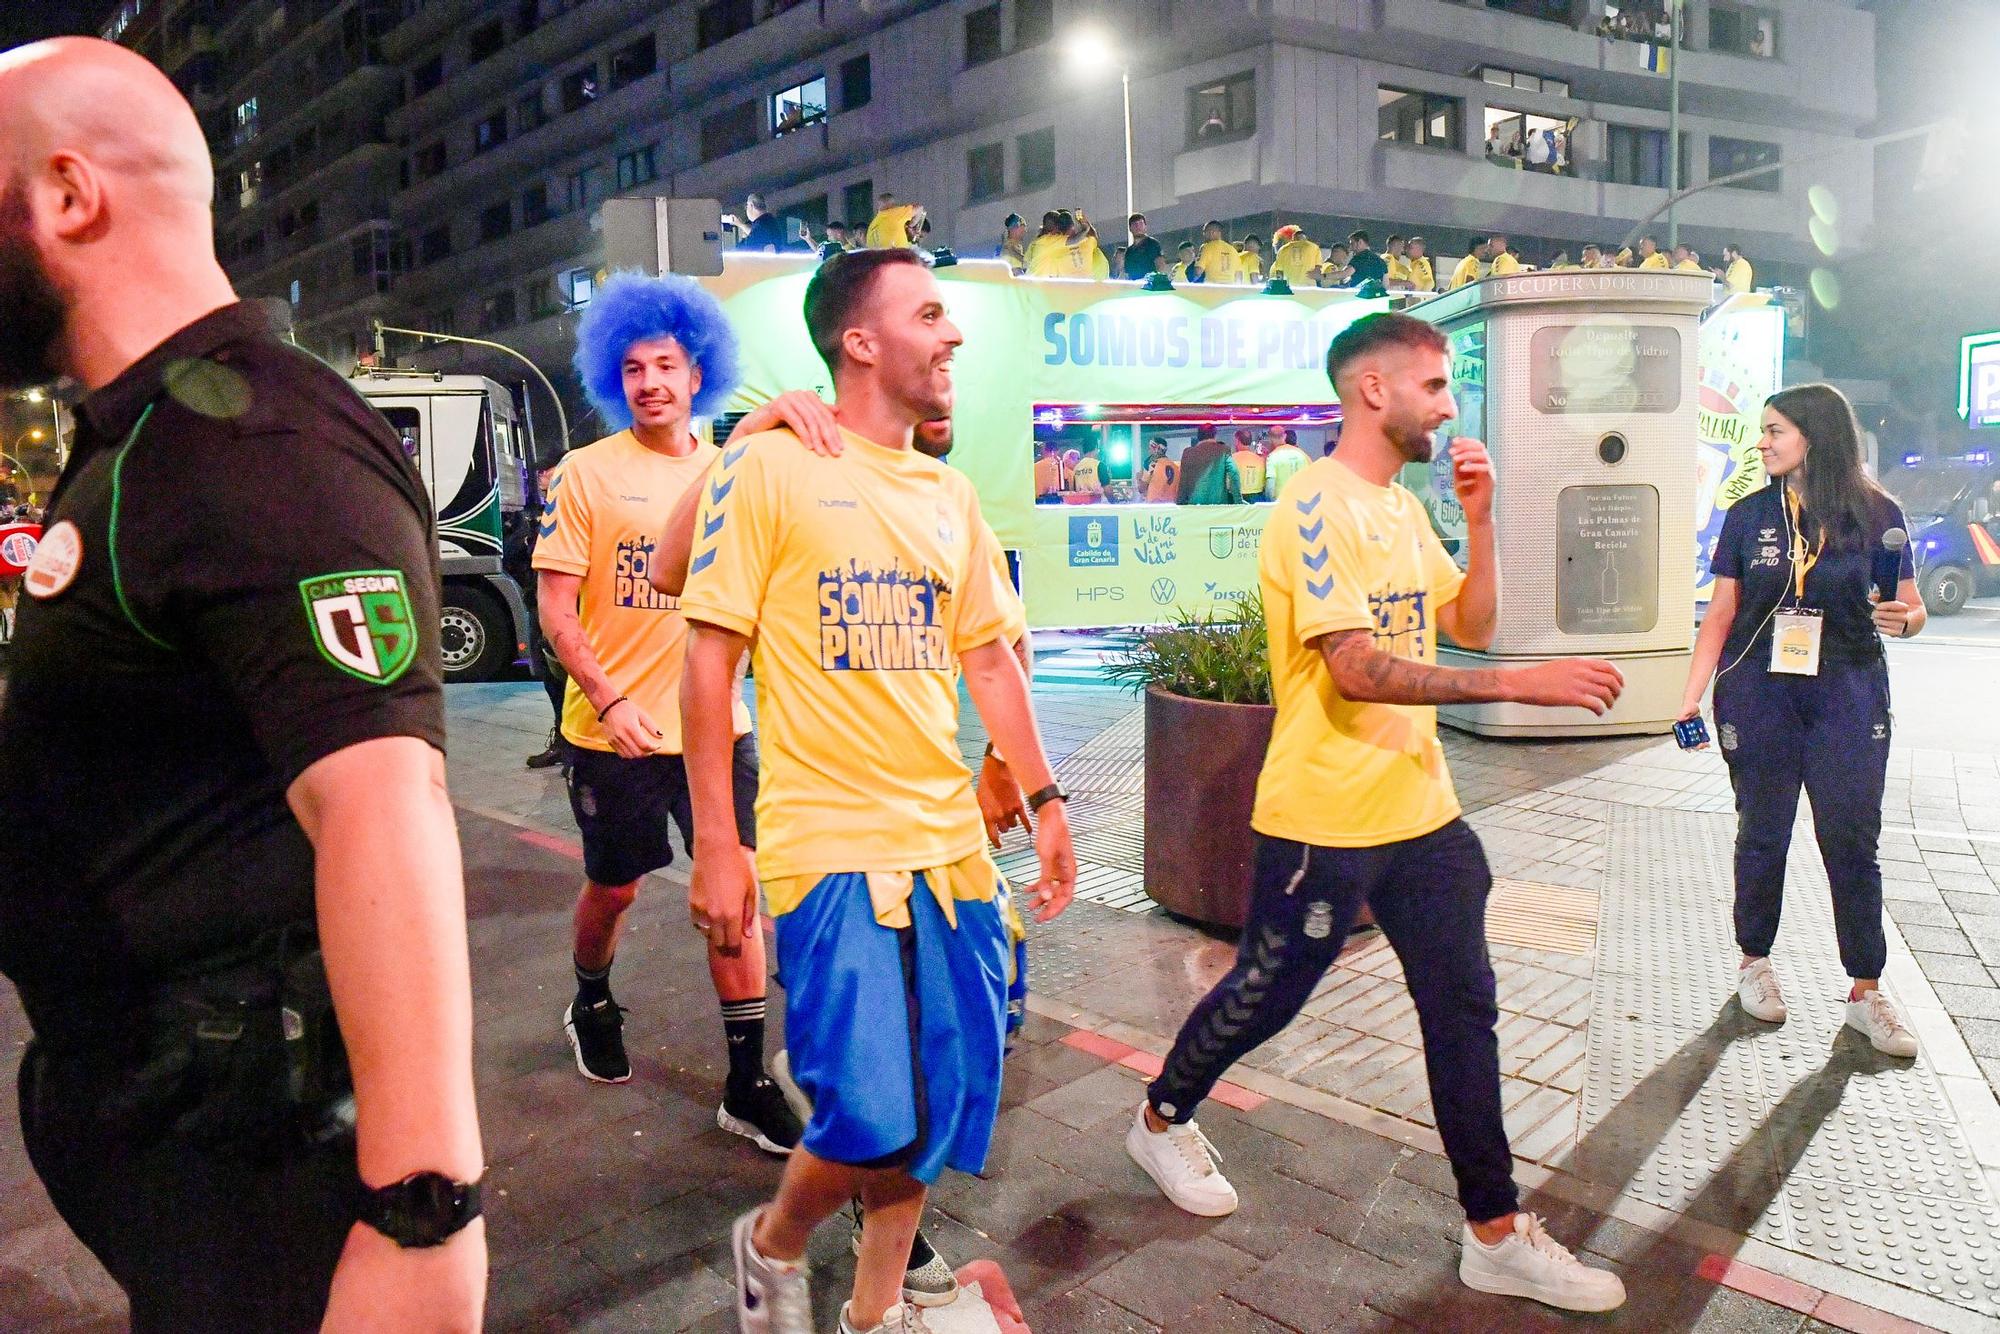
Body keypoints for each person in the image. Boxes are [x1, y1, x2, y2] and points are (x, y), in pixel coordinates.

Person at [0, 36, 486, 1329]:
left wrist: (423, 1220)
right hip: (181, 1164)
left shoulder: (255, 440)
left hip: (268, 1183)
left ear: (64, 194)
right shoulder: (147, 438)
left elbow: (385, 802)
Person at [1125, 312, 1629, 1315]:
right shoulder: (1313, 507)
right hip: (1322, 817)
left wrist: (1480, 522)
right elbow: (1353, 669)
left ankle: (1493, 1228)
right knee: (1271, 988)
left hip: (1421, 814)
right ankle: (1159, 1115)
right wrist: (1520, 686)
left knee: (1463, 1006)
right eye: (1435, 385)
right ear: (1372, 390)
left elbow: (1467, 620)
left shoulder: (1399, 508)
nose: (1449, 405)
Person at [677, 248, 1077, 1334]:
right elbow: (707, 658)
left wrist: (1044, 800)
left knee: (935, 1107)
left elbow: (990, 660)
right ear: (860, 340)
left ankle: (873, 1313)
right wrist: (718, 840)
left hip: (947, 848)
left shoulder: (950, 495)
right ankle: (770, 1244)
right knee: (864, 1110)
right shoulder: (769, 471)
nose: (953, 336)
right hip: (826, 844)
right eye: (930, 313)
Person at [534, 273, 805, 1155]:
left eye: (666, 364)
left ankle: (747, 1078)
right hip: (611, 732)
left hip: (714, 731)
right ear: (617, 383)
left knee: (739, 897)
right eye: (633, 367)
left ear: (698, 375)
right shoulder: (586, 475)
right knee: (613, 887)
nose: (650, 381)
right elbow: (556, 610)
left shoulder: (736, 474)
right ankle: (592, 993)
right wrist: (607, 698)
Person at [1677, 384, 1926, 1058]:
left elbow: (1909, 604)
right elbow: (1721, 616)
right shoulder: (1747, 513)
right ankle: (1754, 962)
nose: (1762, 442)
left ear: (1813, 435)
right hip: (1759, 689)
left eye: (1774, 430)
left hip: (1849, 687)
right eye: (1762, 430)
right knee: (1763, 832)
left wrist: (1905, 619)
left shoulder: (1877, 515)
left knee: (1851, 837)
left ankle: (1865, 992)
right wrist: (1689, 697)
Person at [1176, 424, 1229, 504]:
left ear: (1198, 436)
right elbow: (1233, 475)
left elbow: (1183, 482)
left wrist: (1180, 502)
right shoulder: (1224, 450)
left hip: (1195, 503)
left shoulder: (1188, 453)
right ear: (1214, 435)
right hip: (1218, 504)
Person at [1262, 427, 1311, 500]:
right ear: (1284, 436)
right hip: (1301, 501)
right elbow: (1311, 479)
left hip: (1281, 502)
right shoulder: (1302, 454)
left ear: (1270, 439)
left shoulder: (1273, 457)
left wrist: (1269, 502)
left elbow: (1270, 486)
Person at [1196, 220, 1240, 285]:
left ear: (1212, 232)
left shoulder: (1207, 247)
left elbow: (1198, 271)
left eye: (1205, 232)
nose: (1204, 235)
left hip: (1212, 289)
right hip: (1230, 289)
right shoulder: (1233, 250)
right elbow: (1239, 274)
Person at [1230, 427, 1267, 498]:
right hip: (1257, 497)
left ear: (1237, 440)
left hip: (1236, 497)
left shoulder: (1231, 459)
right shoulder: (1260, 460)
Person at [1123, 213, 1161, 280]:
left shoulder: (1152, 244)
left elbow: (1160, 265)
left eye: (1141, 224)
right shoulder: (1129, 251)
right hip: (1134, 287)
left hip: (1150, 285)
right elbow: (1127, 273)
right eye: (1135, 224)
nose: (1138, 227)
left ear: (1145, 226)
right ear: (1130, 228)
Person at [1142, 437, 1179, 502]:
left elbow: (1142, 489)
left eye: (1151, 447)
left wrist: (1138, 478)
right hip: (1170, 506)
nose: (1149, 450)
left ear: (1157, 448)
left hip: (1154, 506)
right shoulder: (1175, 467)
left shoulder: (1152, 465)